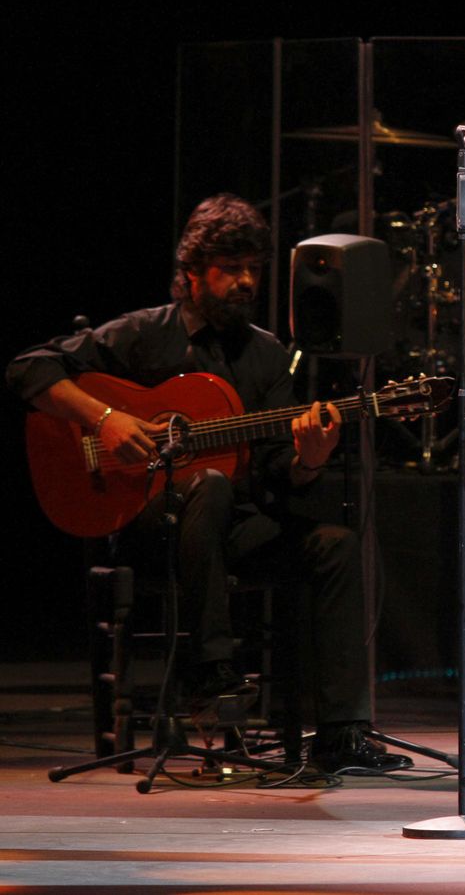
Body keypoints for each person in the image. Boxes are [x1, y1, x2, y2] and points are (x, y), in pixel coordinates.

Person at [7, 194, 409, 774]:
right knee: (211, 485)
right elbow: (27, 369)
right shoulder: (144, 335)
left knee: (336, 545)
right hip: (146, 527)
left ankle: (341, 733)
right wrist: (106, 418)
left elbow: (278, 472)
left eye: (253, 269)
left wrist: (309, 460)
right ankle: (210, 672)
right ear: (192, 273)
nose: (246, 282)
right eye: (230, 269)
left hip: (233, 528)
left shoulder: (270, 356)